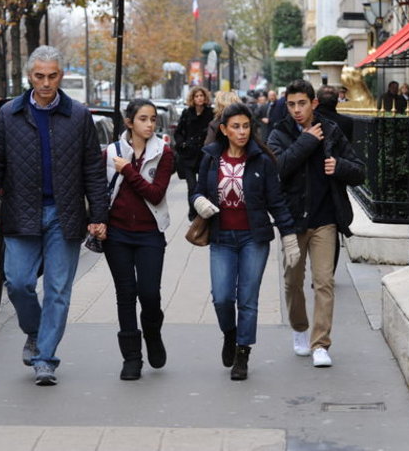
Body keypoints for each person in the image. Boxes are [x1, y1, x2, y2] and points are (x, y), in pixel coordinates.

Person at [0, 45, 109, 386]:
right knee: (18, 282)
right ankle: (35, 332)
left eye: (52, 76)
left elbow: (93, 170)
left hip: (65, 214)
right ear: (29, 76)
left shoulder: (78, 115)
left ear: (60, 76)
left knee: (58, 290)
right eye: (39, 76)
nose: (46, 83)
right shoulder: (10, 114)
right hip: (21, 212)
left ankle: (45, 358)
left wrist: (99, 215)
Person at [192, 103, 300, 381]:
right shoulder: (211, 157)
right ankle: (230, 333)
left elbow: (276, 201)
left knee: (248, 300)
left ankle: (242, 353)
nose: (242, 132)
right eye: (236, 127)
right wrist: (199, 201)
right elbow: (197, 191)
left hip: (254, 238)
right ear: (224, 130)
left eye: (246, 126)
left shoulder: (262, 160)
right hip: (221, 237)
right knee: (222, 298)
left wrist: (289, 236)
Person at [268, 80, 365, 368]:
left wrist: (339, 166)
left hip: (325, 220)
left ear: (313, 104)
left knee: (324, 282)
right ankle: (299, 328)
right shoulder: (280, 133)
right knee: (292, 282)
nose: (296, 110)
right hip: (292, 221)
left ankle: (320, 344)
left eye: (302, 103)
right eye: (291, 105)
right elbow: (277, 169)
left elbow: (359, 171)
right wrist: (307, 141)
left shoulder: (331, 130)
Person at [103, 99, 174, 380]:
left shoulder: (163, 153)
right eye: (143, 119)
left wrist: (129, 171)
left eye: (153, 119)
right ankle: (131, 358)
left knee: (149, 293)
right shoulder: (111, 153)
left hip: (149, 233)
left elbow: (155, 194)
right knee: (125, 294)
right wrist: (96, 221)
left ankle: (153, 332)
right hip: (117, 234)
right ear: (129, 122)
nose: (149, 124)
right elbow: (98, 189)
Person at [174, 87, 213, 221]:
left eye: (201, 95)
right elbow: (178, 132)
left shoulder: (210, 113)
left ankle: (202, 214)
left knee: (204, 187)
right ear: (193, 98)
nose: (199, 98)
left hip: (204, 155)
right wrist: (182, 144)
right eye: (196, 96)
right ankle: (193, 215)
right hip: (189, 155)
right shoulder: (187, 113)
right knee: (192, 187)